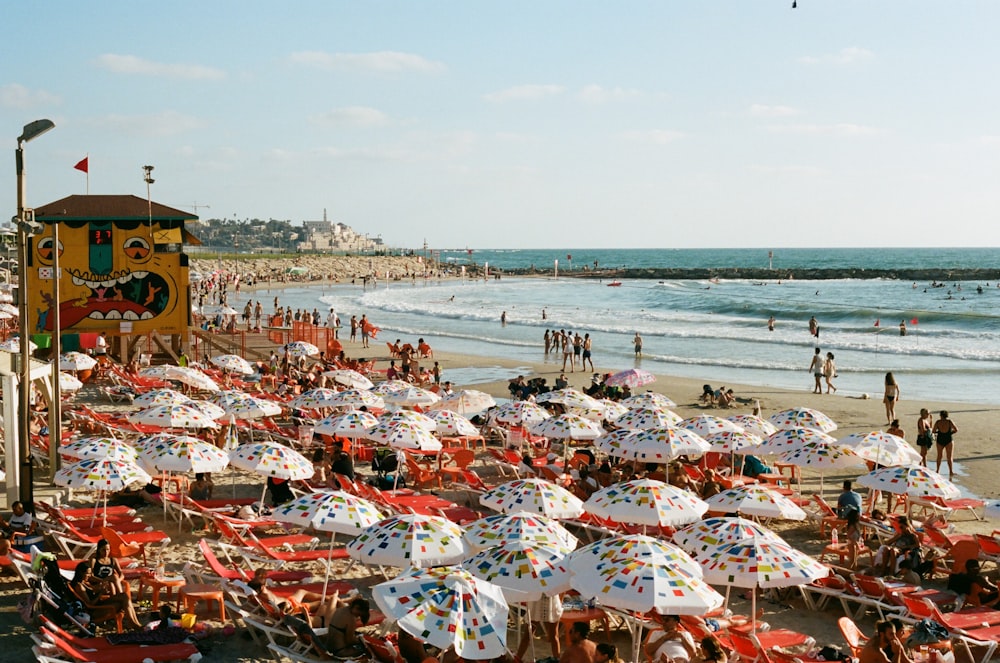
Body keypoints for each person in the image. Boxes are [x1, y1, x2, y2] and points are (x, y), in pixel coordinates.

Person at [68, 561, 142, 630]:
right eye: (88, 573)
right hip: (94, 610)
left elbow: (93, 590)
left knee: (125, 596)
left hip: (99, 604)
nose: (90, 576)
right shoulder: (79, 586)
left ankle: (135, 622)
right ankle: (133, 623)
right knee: (123, 599)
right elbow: (90, 604)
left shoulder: (84, 582)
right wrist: (100, 593)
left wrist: (101, 587)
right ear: (81, 573)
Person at [516, 593, 563, 661]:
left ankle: (558, 660)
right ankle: (517, 659)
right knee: (528, 634)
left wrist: (560, 600)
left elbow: (561, 587)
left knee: (554, 636)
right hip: (538, 600)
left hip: (550, 600)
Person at [933, 410, 958, 479]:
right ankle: (951, 471)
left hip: (940, 439)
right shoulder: (949, 422)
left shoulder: (938, 422)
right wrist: (950, 433)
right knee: (949, 457)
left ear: (941, 415)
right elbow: (956, 429)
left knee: (939, 456)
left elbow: (933, 431)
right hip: (948, 439)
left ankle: (937, 470)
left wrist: (939, 432)